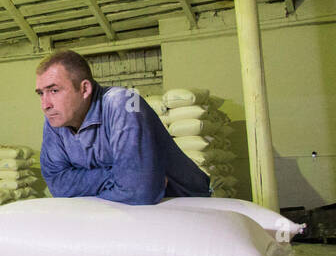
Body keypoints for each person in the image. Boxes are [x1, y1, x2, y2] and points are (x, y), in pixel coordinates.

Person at [35, 49, 210, 204]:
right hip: (130, 205)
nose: (45, 104)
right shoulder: (57, 119)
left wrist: (133, 183)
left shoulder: (126, 102)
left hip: (182, 201)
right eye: (41, 93)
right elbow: (58, 185)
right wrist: (117, 178)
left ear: (85, 89)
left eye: (54, 91)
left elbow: (138, 191)